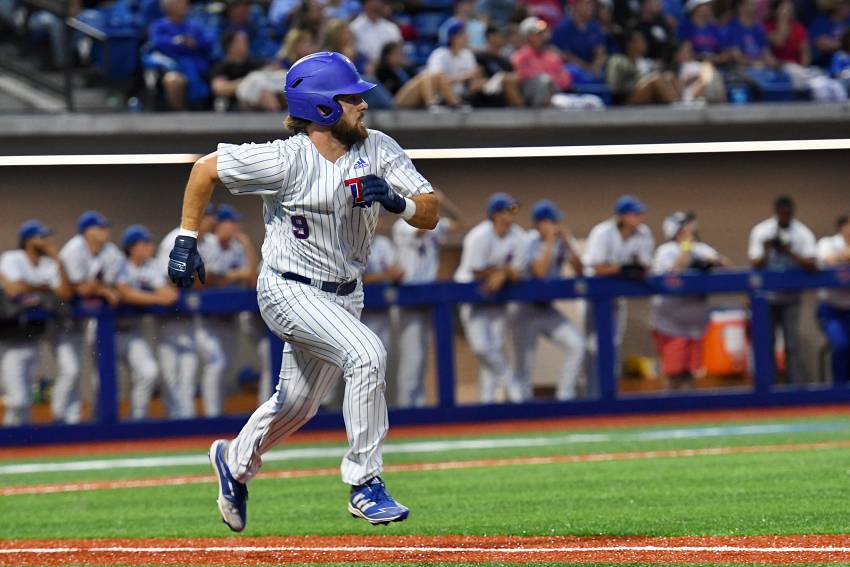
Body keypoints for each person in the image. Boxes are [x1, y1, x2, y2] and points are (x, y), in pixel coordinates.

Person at [166, 52, 439, 529]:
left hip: (345, 293)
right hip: (286, 289)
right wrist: (187, 238)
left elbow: (431, 210)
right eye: (351, 97)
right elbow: (204, 170)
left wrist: (400, 203)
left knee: (298, 404)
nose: (362, 105)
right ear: (323, 107)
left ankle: (234, 461)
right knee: (367, 354)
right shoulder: (283, 158)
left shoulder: (379, 147)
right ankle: (364, 483)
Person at [454, 193, 526, 403]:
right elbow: (476, 270)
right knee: (482, 348)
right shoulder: (479, 236)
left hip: (498, 297)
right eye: (507, 209)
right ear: (495, 214)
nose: (512, 213)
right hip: (472, 296)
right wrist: (502, 271)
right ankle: (511, 381)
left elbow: (518, 271)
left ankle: (488, 402)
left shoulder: (519, 236)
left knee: (494, 348)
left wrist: (502, 273)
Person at [392, 192, 462, 408]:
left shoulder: (436, 222)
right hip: (408, 294)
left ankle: (418, 404)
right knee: (412, 357)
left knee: (423, 357)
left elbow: (458, 223)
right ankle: (406, 406)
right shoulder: (402, 225)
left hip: (428, 294)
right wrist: (432, 206)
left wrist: (445, 202)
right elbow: (422, 229)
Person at [511, 200, 585, 401]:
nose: (555, 225)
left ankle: (565, 397)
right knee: (525, 366)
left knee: (576, 345)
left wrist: (567, 242)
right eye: (551, 221)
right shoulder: (529, 241)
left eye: (555, 221)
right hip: (524, 310)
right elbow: (540, 272)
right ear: (540, 223)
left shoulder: (562, 241)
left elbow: (580, 270)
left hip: (547, 309)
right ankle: (523, 410)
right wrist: (551, 240)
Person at [0, 220, 71, 425]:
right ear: (29, 240)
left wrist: (58, 259)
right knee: (17, 399)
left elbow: (64, 293)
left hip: (33, 337)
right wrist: (44, 289)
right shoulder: (12, 258)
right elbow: (14, 290)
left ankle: (21, 448)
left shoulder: (49, 264)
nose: (48, 241)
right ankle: (8, 445)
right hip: (10, 339)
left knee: (26, 399)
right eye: (42, 237)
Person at [56, 211, 124, 424]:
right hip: (63, 319)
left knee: (101, 369)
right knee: (70, 370)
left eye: (106, 227)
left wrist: (101, 289)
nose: (105, 231)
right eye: (100, 228)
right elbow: (80, 288)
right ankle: (60, 418)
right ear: (87, 231)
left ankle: (94, 418)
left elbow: (112, 285)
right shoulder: (73, 249)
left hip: (91, 320)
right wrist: (102, 290)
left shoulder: (111, 252)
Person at [583, 195, 655, 394]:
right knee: (593, 345)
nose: (639, 217)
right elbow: (596, 266)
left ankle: (609, 392)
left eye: (639, 213)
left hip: (618, 293)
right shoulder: (602, 232)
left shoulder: (643, 233)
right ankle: (591, 392)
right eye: (634, 213)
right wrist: (622, 269)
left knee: (614, 344)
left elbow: (646, 266)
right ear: (622, 216)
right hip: (596, 296)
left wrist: (632, 269)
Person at [650, 212, 730, 390]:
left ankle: (688, 413)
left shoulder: (701, 248)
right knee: (674, 373)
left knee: (691, 372)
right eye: (685, 226)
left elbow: (725, 264)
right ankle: (668, 411)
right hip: (670, 322)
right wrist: (686, 248)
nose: (691, 229)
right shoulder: (666, 250)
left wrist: (709, 262)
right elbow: (674, 272)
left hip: (695, 322)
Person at [156, 204, 218, 419]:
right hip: (169, 318)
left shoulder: (210, 242)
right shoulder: (172, 240)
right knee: (170, 375)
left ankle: (187, 421)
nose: (212, 221)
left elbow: (212, 279)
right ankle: (173, 422)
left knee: (189, 374)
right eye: (208, 217)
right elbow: (166, 283)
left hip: (192, 318)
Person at [196, 204, 258, 417]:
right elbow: (207, 278)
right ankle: (212, 417)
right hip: (206, 320)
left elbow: (250, 278)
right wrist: (234, 276)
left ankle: (218, 414)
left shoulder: (237, 247)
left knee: (226, 369)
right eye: (231, 222)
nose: (236, 227)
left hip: (229, 319)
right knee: (216, 364)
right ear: (219, 224)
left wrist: (248, 246)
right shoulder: (207, 245)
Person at [748, 195, 817, 385]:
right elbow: (754, 263)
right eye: (782, 213)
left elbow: (812, 265)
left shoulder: (802, 233)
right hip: (766, 298)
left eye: (788, 214)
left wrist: (789, 252)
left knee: (792, 345)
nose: (785, 216)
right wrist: (768, 249)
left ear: (792, 213)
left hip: (791, 296)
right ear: (776, 212)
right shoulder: (762, 231)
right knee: (765, 344)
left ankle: (794, 388)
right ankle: (767, 387)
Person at [114, 225, 179, 420]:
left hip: (132, 330)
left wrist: (149, 296)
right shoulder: (118, 263)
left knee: (149, 372)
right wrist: (154, 298)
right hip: (106, 332)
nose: (150, 246)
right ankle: (95, 435)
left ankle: (138, 421)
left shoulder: (150, 266)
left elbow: (169, 294)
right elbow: (125, 293)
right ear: (132, 247)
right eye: (145, 243)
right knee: (104, 384)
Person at [146, 0, 214, 110]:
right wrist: (177, 42)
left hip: (197, 68)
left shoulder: (193, 26)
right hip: (172, 67)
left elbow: (208, 44)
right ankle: (180, 116)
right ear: (169, 7)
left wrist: (195, 44)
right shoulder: (159, 26)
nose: (185, 5)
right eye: (180, 3)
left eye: (185, 3)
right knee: (173, 80)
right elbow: (157, 43)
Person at [361, 217, 404, 354]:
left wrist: (396, 275)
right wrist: (385, 275)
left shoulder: (383, 243)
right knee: (365, 355)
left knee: (383, 354)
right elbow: (355, 279)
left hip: (382, 308)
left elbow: (394, 270)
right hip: (359, 312)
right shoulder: (352, 243)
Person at [376, 42, 463, 109]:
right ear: (387, 56)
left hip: (412, 97)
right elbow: (385, 93)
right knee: (425, 76)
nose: (401, 56)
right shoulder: (383, 71)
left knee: (438, 75)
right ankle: (431, 103)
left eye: (401, 53)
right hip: (395, 102)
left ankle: (455, 103)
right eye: (397, 54)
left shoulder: (406, 69)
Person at [210, 30, 280, 112]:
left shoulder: (254, 63)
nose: (246, 44)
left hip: (258, 100)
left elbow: (271, 73)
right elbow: (220, 88)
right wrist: (248, 82)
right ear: (230, 45)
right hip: (234, 105)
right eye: (241, 41)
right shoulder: (222, 67)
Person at [606, 28, 682, 104]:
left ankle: (681, 101)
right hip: (627, 97)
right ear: (630, 44)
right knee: (656, 79)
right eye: (641, 41)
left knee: (669, 76)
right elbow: (614, 85)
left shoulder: (644, 61)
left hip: (645, 91)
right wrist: (639, 82)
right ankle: (675, 104)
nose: (645, 44)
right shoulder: (618, 60)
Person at [817, 212, 850, 383]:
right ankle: (839, 390)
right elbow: (827, 260)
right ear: (841, 227)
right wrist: (844, 256)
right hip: (832, 309)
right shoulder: (828, 243)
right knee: (842, 345)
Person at [511, 16, 574, 106]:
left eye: (542, 34)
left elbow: (566, 80)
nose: (541, 37)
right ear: (527, 36)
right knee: (544, 81)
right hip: (530, 99)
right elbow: (523, 77)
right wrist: (550, 78)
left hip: (556, 95)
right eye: (537, 34)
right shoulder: (520, 56)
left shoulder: (552, 56)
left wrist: (552, 80)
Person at [426, 22, 484, 108]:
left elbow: (473, 79)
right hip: (441, 97)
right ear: (453, 37)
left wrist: (478, 81)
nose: (467, 37)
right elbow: (435, 80)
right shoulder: (439, 54)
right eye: (463, 34)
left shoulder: (467, 54)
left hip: (463, 96)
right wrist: (464, 76)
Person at [552, 0, 608, 81]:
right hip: (572, 70)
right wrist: (586, 68)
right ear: (576, 5)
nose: (592, 7)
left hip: (593, 69)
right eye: (587, 3)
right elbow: (564, 55)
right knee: (572, 71)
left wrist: (596, 66)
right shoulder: (563, 27)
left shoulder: (594, 27)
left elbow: (600, 50)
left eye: (592, 4)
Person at [473, 26, 525, 107]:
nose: (502, 38)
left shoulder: (505, 61)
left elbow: (515, 81)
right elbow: (475, 85)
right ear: (490, 37)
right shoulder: (479, 57)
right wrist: (498, 80)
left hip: (503, 102)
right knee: (505, 78)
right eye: (499, 35)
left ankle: (521, 109)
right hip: (484, 101)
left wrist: (502, 80)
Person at [350, 0, 402, 66]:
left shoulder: (392, 28)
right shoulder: (354, 28)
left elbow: (398, 53)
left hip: (388, 70)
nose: (377, 3)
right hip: (365, 70)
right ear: (365, 3)